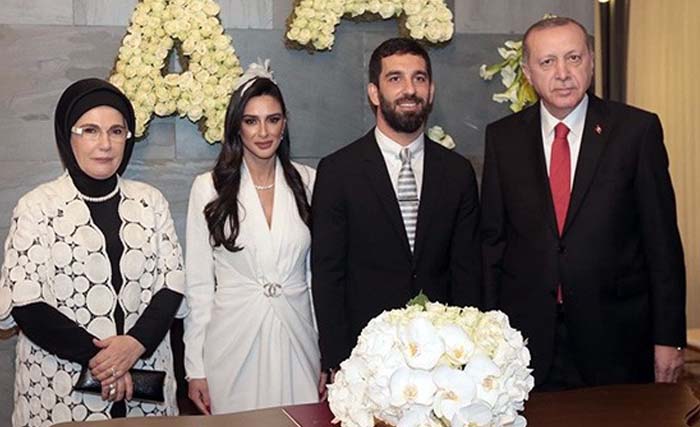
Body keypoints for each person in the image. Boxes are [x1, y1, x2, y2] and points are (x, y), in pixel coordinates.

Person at [481, 16, 686, 390]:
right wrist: (489, 336)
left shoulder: (636, 132)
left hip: (618, 339)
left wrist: (668, 338)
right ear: (528, 72)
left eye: (573, 58)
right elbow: (493, 243)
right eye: (548, 62)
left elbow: (662, 244)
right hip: (527, 342)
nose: (562, 73)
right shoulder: (503, 139)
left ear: (591, 62)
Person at [0, 78, 186, 426]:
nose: (105, 144)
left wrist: (133, 347)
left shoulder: (150, 202)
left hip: (145, 384)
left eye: (117, 131)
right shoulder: (37, 207)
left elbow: (171, 285)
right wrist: (109, 364)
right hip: (60, 389)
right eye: (90, 130)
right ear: (66, 137)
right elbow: (27, 304)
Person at [312, 38, 482, 374]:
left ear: (431, 91)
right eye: (395, 79)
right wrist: (339, 361)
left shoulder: (458, 172)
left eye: (419, 78)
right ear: (374, 93)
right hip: (366, 356)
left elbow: (467, 272)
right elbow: (328, 275)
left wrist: (466, 353)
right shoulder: (338, 171)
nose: (409, 89)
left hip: (443, 357)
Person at [183, 62, 322, 415]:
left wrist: (325, 354)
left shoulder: (309, 182)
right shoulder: (209, 187)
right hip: (231, 339)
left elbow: (316, 276)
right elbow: (199, 287)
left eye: (272, 119)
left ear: (284, 124)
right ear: (237, 127)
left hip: (298, 335)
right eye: (251, 121)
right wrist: (195, 368)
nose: (263, 131)